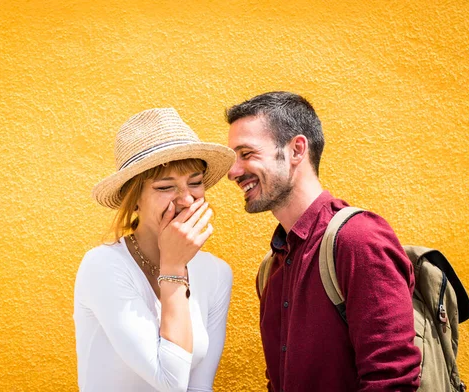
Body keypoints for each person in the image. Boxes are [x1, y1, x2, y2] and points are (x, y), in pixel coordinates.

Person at [225, 92, 422, 392]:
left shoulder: (358, 240)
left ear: (296, 150)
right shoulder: (271, 268)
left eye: (246, 154)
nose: (233, 172)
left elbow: (392, 381)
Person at [74, 108, 235, 392]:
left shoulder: (216, 273)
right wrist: (172, 268)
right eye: (165, 187)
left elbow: (198, 387)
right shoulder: (103, 266)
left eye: (195, 183)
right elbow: (170, 382)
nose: (186, 199)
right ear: (134, 199)